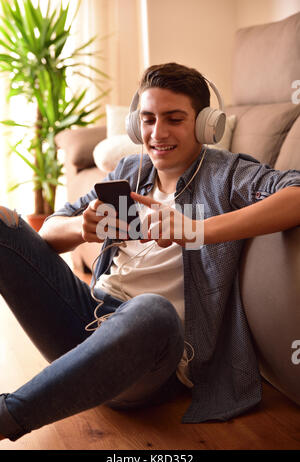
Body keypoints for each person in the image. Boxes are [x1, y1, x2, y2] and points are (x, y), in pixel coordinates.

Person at [0, 62, 300, 442]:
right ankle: (69, 377)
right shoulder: (130, 170)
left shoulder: (226, 175)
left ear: (207, 124)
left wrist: (198, 230)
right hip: (86, 323)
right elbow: (52, 228)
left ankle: (8, 416)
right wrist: (81, 228)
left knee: (151, 309)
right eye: (148, 119)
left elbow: (297, 192)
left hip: (151, 355)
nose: (157, 133)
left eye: (174, 119)